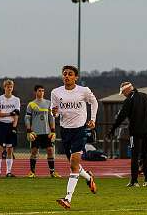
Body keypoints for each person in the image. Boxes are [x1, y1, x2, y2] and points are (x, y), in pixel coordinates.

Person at [51, 65, 98, 209]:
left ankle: (67, 198)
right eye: (64, 74)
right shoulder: (56, 92)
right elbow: (54, 112)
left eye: (70, 74)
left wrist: (93, 119)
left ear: (76, 77)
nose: (67, 76)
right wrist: (54, 113)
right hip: (65, 131)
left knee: (73, 164)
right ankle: (89, 178)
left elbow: (94, 102)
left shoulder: (83, 91)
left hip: (80, 130)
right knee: (74, 165)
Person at [108, 82, 147, 187]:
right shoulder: (146, 96)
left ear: (127, 90)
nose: (123, 94)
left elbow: (121, 117)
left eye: (123, 92)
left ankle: (134, 181)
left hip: (135, 132)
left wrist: (112, 129)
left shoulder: (129, 100)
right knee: (145, 155)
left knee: (135, 156)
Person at [25, 85, 61, 178]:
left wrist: (53, 131)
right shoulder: (31, 104)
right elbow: (27, 119)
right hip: (35, 132)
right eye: (39, 91)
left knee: (50, 151)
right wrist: (29, 131)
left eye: (43, 91)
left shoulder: (48, 103)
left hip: (46, 132)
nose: (41, 92)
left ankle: (52, 172)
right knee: (34, 151)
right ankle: (32, 172)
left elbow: (51, 118)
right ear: (35, 92)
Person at [0, 79, 20, 177]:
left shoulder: (16, 100)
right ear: (4, 87)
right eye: (7, 87)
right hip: (1, 124)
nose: (9, 88)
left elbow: (16, 114)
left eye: (11, 87)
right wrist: (9, 113)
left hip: (11, 125)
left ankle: (8, 172)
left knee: (10, 149)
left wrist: (14, 126)